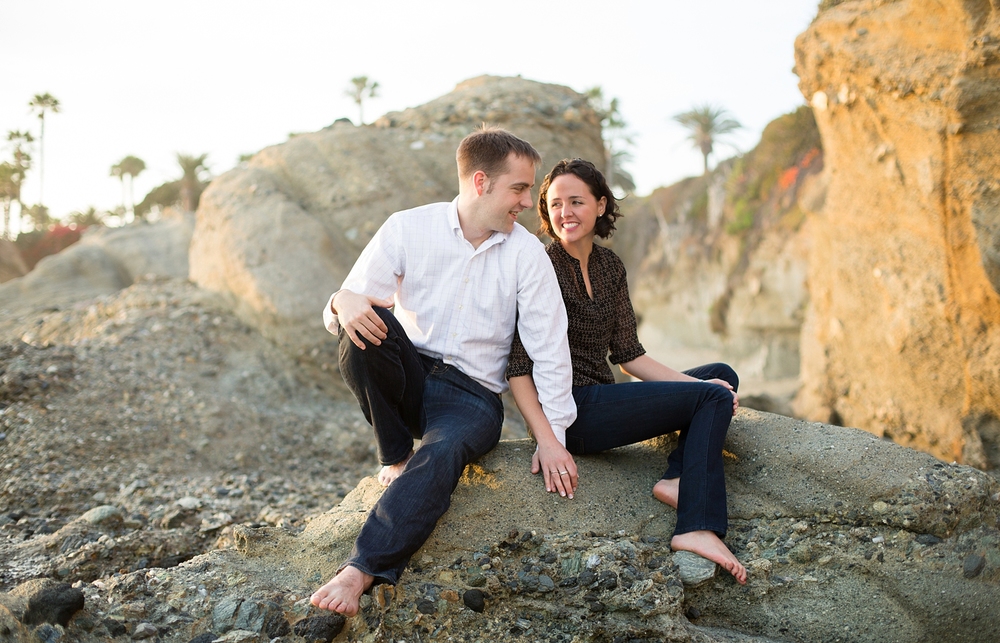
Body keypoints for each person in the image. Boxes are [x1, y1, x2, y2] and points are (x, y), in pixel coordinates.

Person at [310, 128, 577, 616]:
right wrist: (340, 299)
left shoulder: (527, 254)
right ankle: (394, 456)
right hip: (411, 373)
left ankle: (362, 569)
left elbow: (550, 349)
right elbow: (347, 311)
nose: (526, 202)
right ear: (481, 182)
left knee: (444, 451)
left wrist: (553, 434)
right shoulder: (407, 227)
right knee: (361, 330)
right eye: (519, 188)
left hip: (471, 398)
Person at [506, 158, 747, 584]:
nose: (565, 213)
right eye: (555, 203)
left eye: (576, 201)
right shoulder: (541, 267)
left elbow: (629, 355)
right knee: (711, 394)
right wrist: (547, 440)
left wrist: (699, 386)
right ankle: (695, 526)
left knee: (720, 374)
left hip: (603, 396)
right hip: (570, 413)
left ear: (600, 205)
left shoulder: (609, 267)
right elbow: (518, 367)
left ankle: (677, 479)